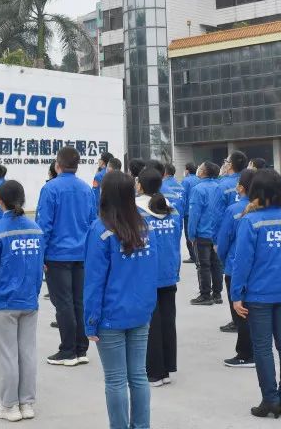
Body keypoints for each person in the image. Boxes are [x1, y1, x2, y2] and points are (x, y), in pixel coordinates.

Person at [84, 171, 157, 429]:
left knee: (115, 380)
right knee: (138, 375)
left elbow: (94, 281)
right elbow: (152, 271)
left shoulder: (101, 230)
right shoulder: (144, 226)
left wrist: (91, 321)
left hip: (111, 316)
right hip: (140, 312)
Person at [230, 169, 281, 418]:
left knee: (262, 348)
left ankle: (270, 399)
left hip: (259, 294)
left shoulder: (251, 221)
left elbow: (242, 262)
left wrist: (236, 294)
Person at [0, 180, 45, 423]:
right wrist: (34, 294)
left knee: (7, 355)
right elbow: (38, 268)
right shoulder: (36, 230)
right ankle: (27, 403)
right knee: (27, 353)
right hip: (28, 300)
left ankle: (9, 405)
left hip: (3, 303)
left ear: (0, 201)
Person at [37, 146, 96, 366]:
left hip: (57, 254)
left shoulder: (50, 189)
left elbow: (44, 225)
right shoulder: (86, 189)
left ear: (57, 164)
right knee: (78, 302)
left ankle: (68, 350)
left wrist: (40, 255)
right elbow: (92, 222)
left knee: (63, 303)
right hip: (81, 254)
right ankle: (81, 349)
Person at [137, 168, 181, 387]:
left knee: (151, 323)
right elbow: (176, 238)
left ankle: (154, 372)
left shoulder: (136, 210)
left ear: (140, 185)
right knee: (167, 321)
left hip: (147, 274)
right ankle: (166, 369)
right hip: (169, 271)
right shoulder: (172, 210)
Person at [215, 168, 255, 367]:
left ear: (240, 187)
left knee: (240, 313)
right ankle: (256, 350)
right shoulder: (264, 209)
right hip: (256, 269)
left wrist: (223, 258)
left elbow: (223, 241)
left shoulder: (234, 210)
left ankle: (245, 354)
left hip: (234, 266)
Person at [187, 161, 224, 305]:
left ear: (203, 172)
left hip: (202, 233)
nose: (198, 169)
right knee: (216, 265)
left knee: (203, 265)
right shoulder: (219, 187)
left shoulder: (198, 189)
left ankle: (205, 295)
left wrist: (191, 234)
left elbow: (194, 214)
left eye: (200, 167)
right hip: (217, 233)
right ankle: (217, 294)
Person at [180, 161, 199, 263]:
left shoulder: (186, 181)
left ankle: (193, 256)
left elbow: (183, 197)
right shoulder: (199, 179)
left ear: (187, 170)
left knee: (189, 234)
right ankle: (198, 254)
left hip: (188, 212)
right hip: (198, 210)